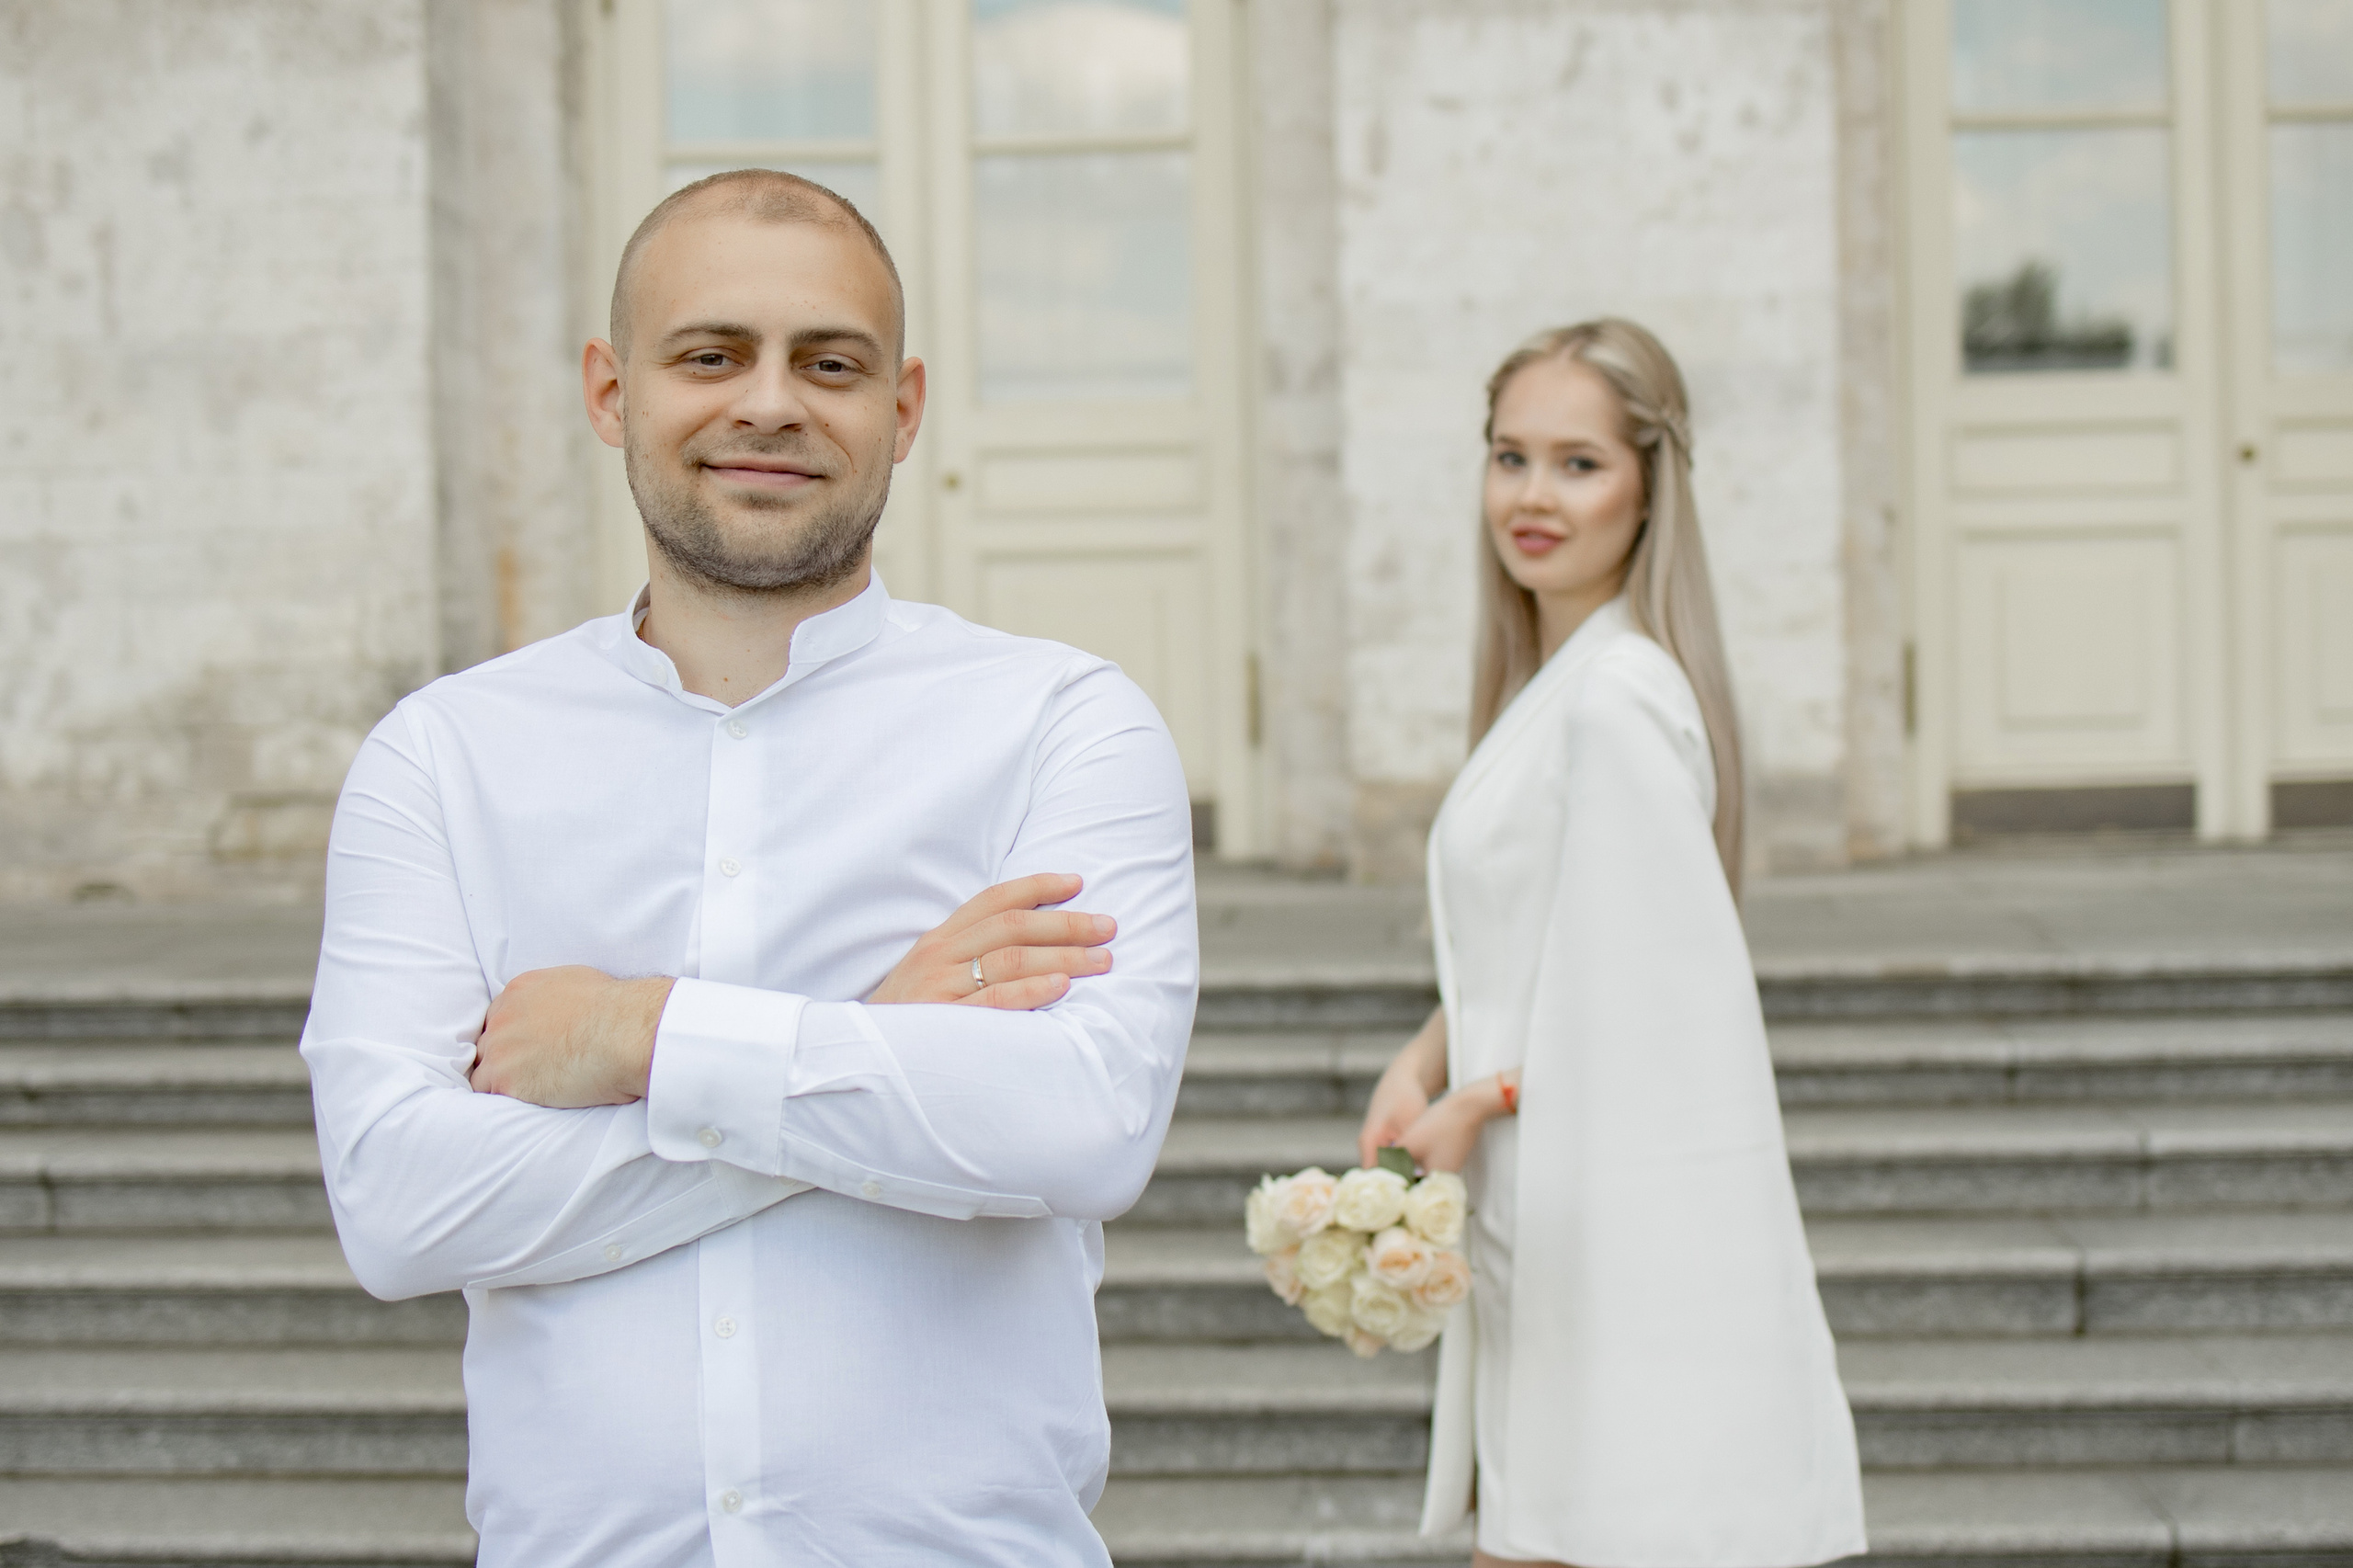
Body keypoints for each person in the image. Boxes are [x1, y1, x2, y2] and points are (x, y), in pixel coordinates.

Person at [300, 168, 1198, 1567]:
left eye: (827, 363)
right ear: (611, 392)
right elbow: (403, 1208)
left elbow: (1081, 1125)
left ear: (902, 411)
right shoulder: (444, 758)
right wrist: (882, 1043)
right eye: (710, 354)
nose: (769, 403)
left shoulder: (1058, 723)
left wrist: (639, 1032)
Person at [1356, 320, 1867, 1568]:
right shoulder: (1566, 685)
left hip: (1614, 1239)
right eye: (1509, 456)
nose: (1533, 496)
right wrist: (1423, 1064)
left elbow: (1655, 1019)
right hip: (1553, 1220)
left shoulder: (1620, 697)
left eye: (1577, 463)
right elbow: (1543, 933)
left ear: (1650, 486)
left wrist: (1477, 1101)